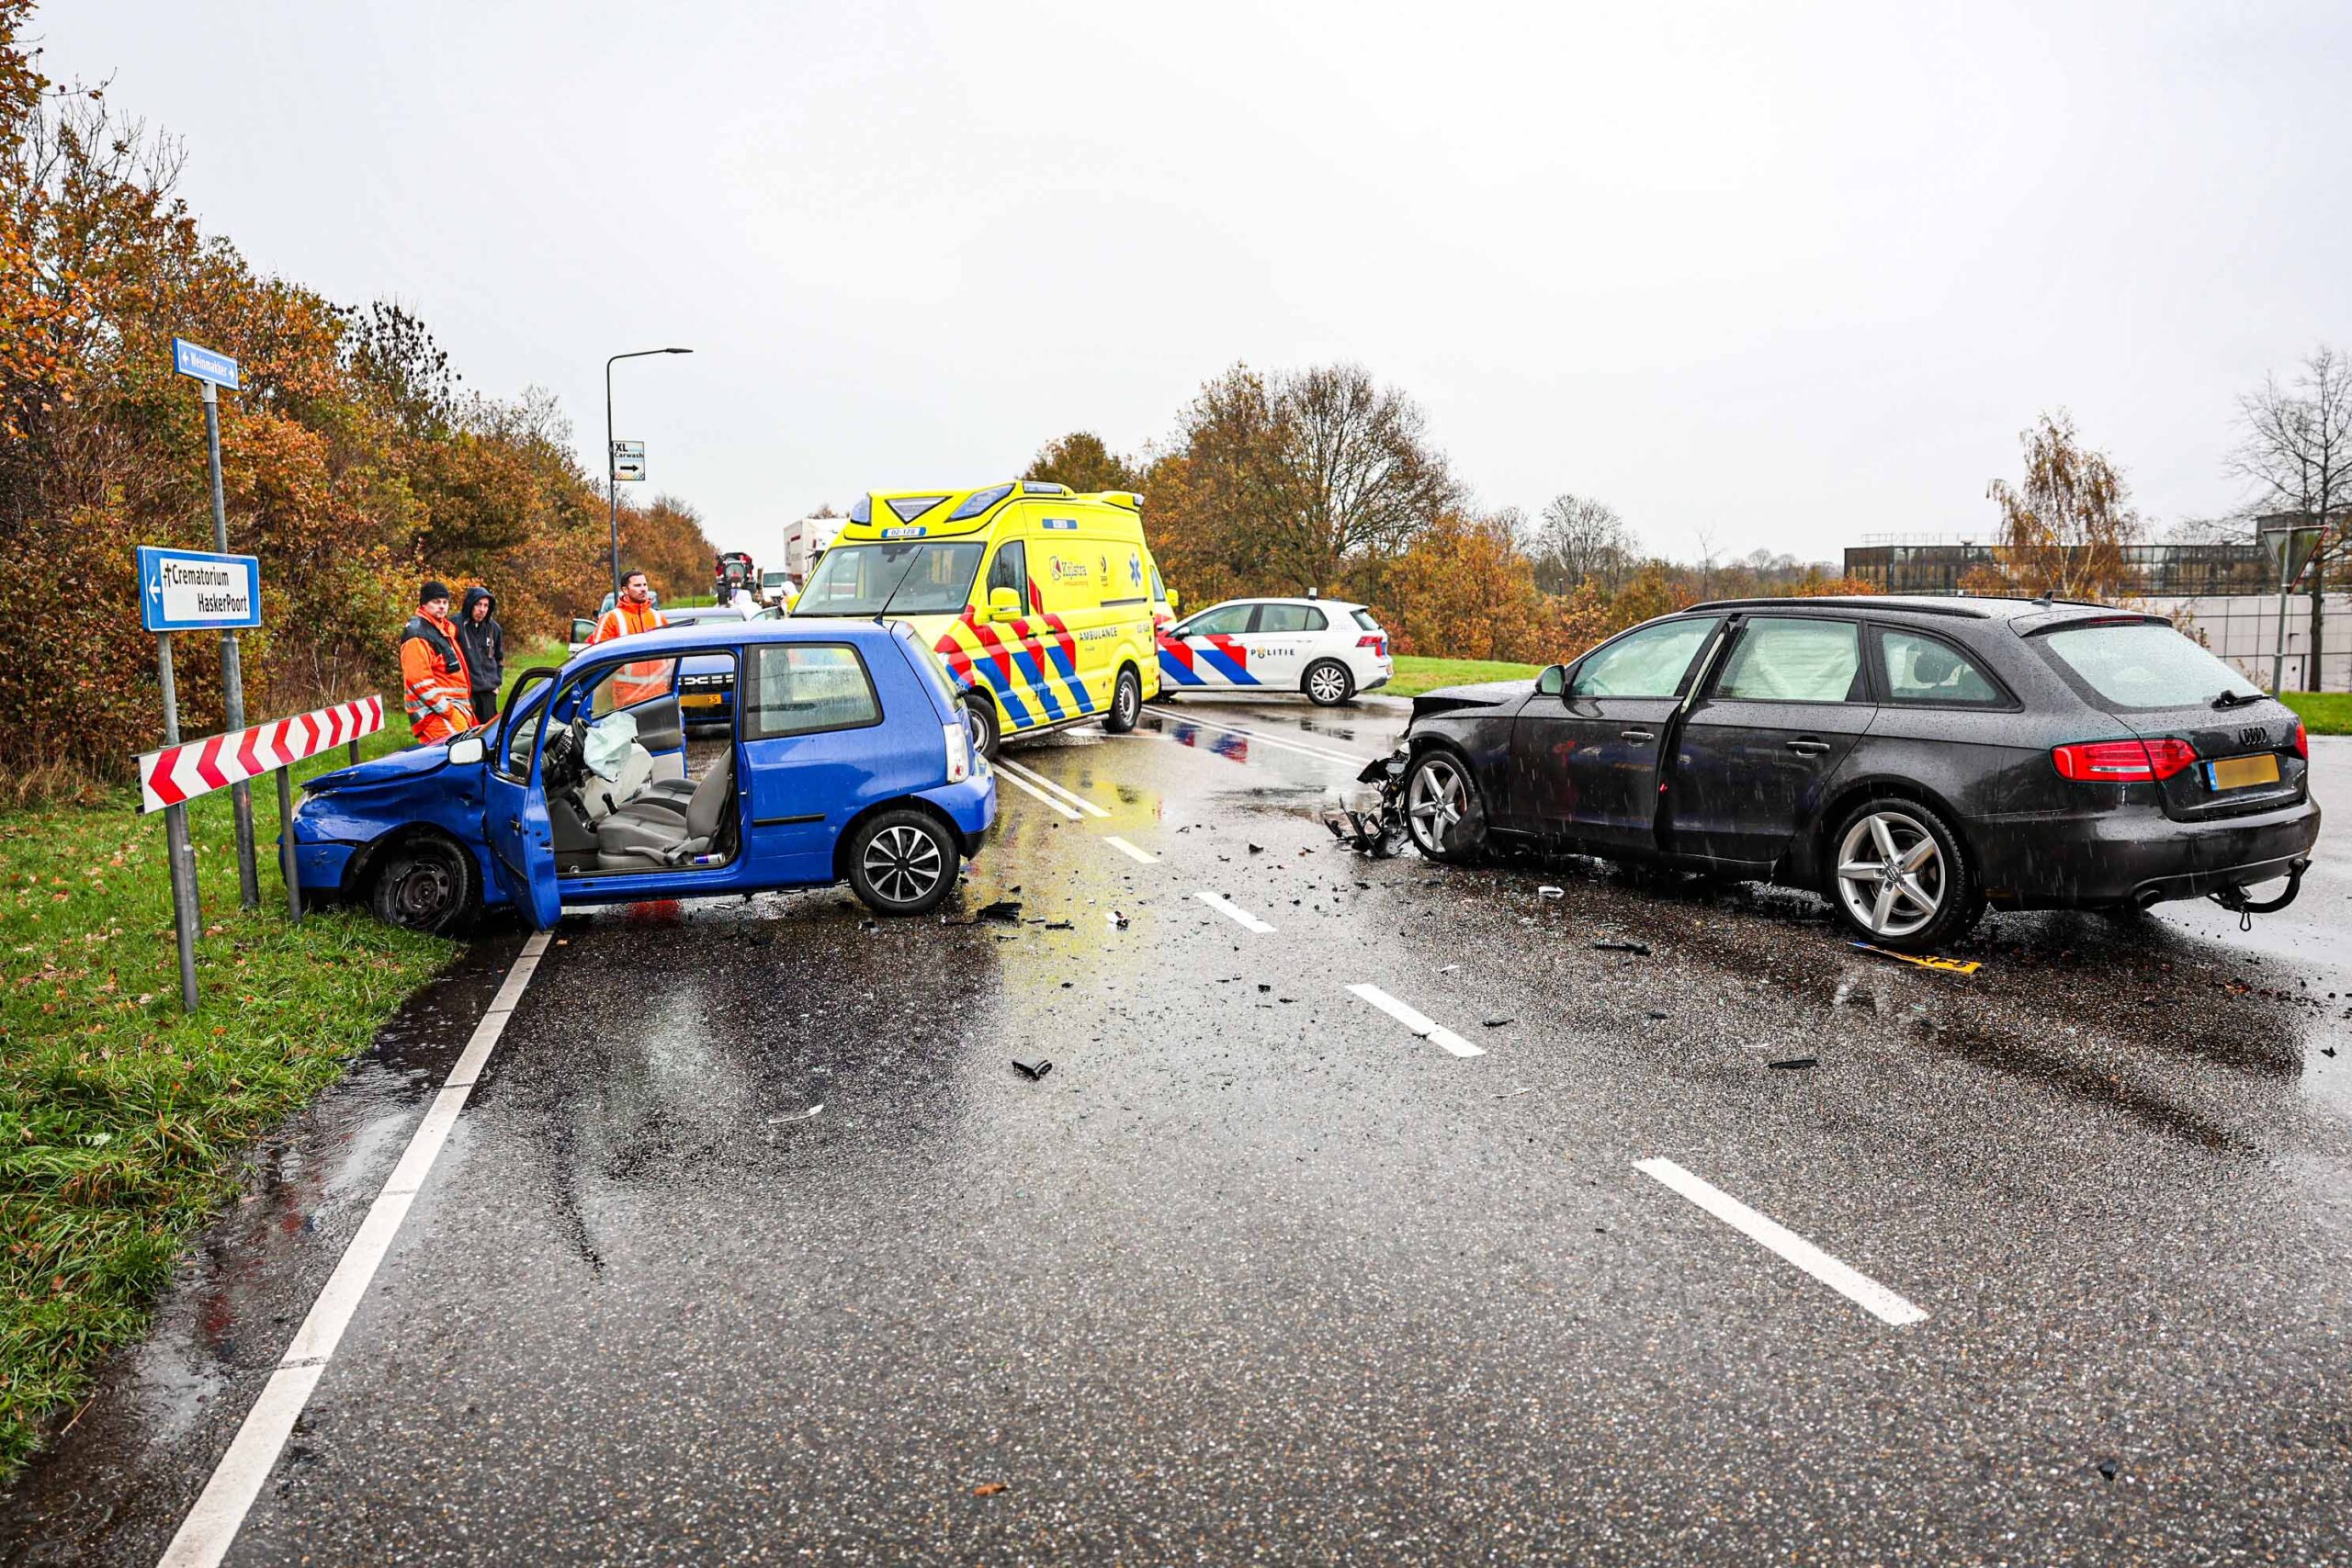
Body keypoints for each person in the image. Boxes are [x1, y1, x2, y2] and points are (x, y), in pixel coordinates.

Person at [401, 581, 476, 746]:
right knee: (458, 755)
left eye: (445, 602)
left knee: (460, 756)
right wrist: (448, 711)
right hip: (435, 714)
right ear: (423, 605)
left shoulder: (441, 629)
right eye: (436, 602)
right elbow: (419, 682)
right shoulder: (417, 635)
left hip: (451, 710)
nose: (441, 606)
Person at [591, 569, 672, 706]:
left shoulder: (658, 617)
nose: (643, 589)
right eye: (637, 585)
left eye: (645, 585)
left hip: (659, 695)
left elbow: (671, 655)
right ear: (625, 590)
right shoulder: (611, 619)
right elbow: (598, 659)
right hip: (627, 698)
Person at [457, 585, 505, 723]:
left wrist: (497, 683)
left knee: (488, 733)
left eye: (486, 605)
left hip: (489, 690)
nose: (482, 609)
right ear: (470, 604)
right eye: (478, 604)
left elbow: (499, 658)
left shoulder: (494, 628)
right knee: (466, 732)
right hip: (466, 690)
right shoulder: (455, 625)